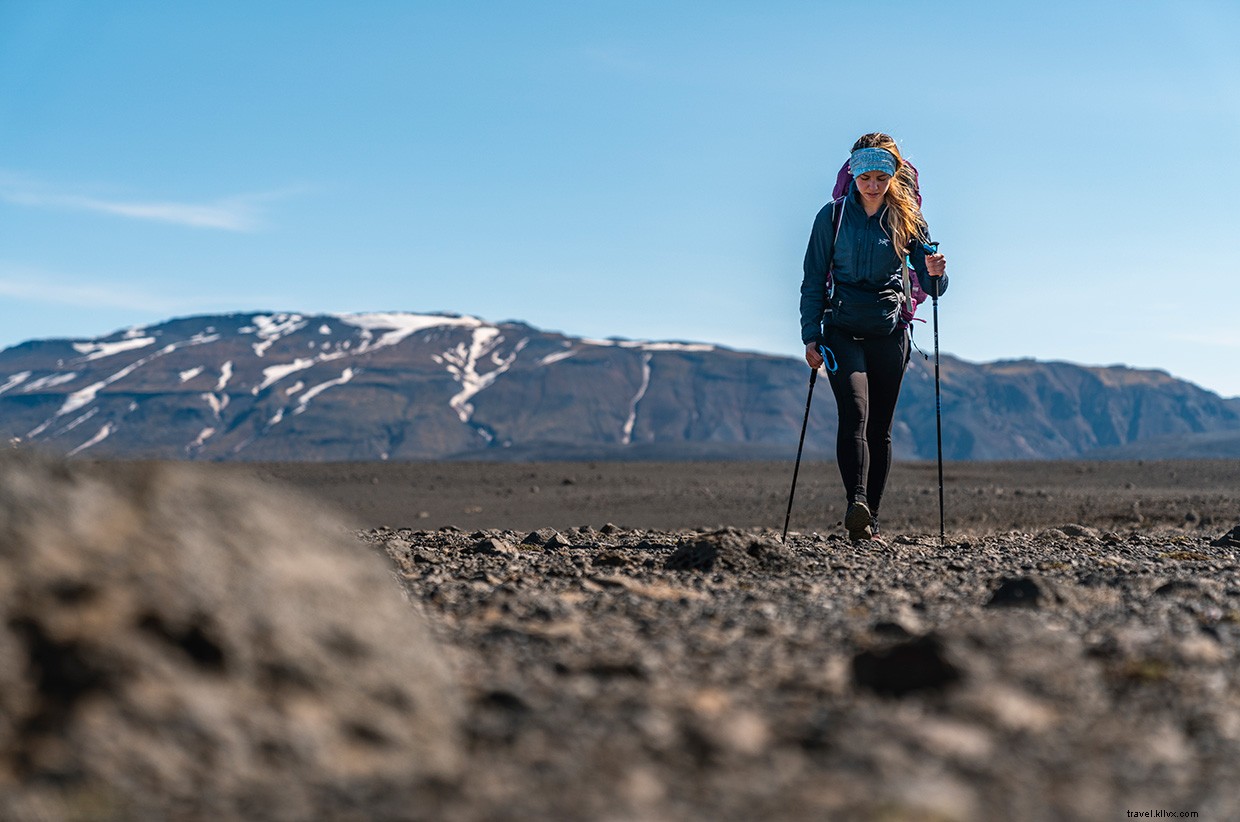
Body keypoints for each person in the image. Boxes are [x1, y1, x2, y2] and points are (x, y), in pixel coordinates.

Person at [798, 133, 948, 542]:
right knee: (855, 415)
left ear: (892, 177)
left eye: (882, 177)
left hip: (889, 332)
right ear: (854, 174)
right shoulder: (831, 217)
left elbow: (932, 284)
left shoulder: (907, 221)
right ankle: (856, 503)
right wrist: (811, 335)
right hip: (841, 329)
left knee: (880, 427)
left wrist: (937, 272)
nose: (873, 185)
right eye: (866, 177)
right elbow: (813, 280)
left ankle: (870, 520)